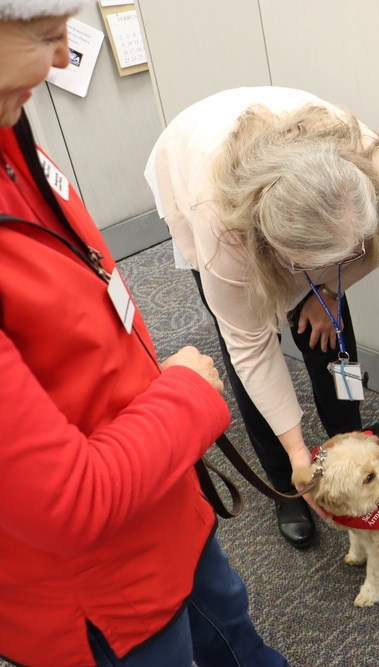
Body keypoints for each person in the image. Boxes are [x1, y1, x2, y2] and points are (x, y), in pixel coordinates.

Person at [0, 2, 288, 665]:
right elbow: (65, 502)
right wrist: (186, 395)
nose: (61, 57)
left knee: (234, 634)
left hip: (159, 489)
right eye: (45, 36)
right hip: (95, 590)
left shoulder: (10, 127)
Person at [145, 87, 379, 548]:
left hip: (310, 191)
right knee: (246, 342)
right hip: (203, 168)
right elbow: (252, 348)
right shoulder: (220, 228)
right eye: (308, 266)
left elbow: (375, 246)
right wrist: (297, 452)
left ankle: (350, 437)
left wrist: (328, 289)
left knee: (334, 339)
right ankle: (286, 484)